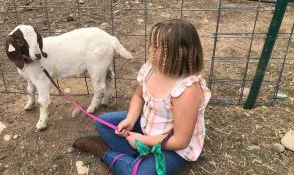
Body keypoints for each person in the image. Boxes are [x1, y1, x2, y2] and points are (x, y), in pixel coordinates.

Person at [73, 19, 211, 175]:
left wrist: (141, 140)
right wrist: (131, 120)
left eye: (158, 47)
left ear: (180, 53)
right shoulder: (152, 68)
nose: (151, 49)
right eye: (152, 44)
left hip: (172, 145)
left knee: (140, 173)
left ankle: (106, 152)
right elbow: (139, 96)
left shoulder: (187, 90)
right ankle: (137, 156)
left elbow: (180, 141)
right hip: (147, 126)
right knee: (103, 122)